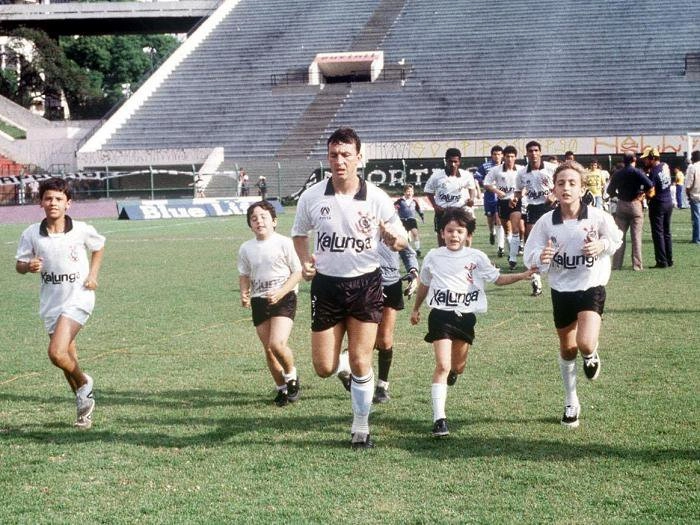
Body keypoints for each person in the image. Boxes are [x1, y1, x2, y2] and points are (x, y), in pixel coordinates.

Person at [291, 127, 407, 449]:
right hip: (326, 287)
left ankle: (361, 427)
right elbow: (299, 234)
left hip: (365, 285)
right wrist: (305, 261)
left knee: (361, 361)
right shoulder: (312, 196)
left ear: (359, 157)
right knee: (324, 367)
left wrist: (395, 239)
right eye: (333, 155)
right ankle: (341, 366)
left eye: (346, 155)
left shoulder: (376, 197)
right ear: (328, 158)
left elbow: (401, 237)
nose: (339, 161)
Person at [410, 207, 535, 437]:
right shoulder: (433, 256)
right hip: (440, 315)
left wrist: (522, 275)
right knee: (442, 365)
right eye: (449, 231)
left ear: (468, 235)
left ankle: (454, 373)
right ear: (442, 233)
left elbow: (497, 279)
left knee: (457, 367)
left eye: (459, 231)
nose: (454, 235)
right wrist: (416, 309)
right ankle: (439, 419)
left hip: (465, 317)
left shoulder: (476, 257)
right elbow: (424, 284)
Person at [524, 161, 622, 428]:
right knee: (567, 348)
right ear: (553, 189)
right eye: (560, 183)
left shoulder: (597, 216)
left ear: (581, 189)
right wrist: (540, 257)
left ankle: (591, 356)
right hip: (561, 290)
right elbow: (529, 255)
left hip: (591, 285)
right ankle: (571, 401)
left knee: (586, 343)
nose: (566, 187)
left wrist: (601, 245)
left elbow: (616, 238)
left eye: (572, 183)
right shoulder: (546, 222)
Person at [15, 177, 105, 429]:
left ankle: (84, 382)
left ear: (69, 204)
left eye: (58, 199)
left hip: (79, 298)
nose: (53, 203)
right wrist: (28, 266)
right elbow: (19, 265)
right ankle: (83, 408)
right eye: (48, 198)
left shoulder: (81, 229)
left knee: (56, 353)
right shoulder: (32, 233)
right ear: (40, 202)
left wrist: (93, 275)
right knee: (67, 356)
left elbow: (99, 246)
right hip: (51, 302)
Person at [238, 200, 302, 407]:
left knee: (277, 344)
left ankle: (292, 376)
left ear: (274, 221)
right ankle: (282, 389)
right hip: (260, 300)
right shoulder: (246, 248)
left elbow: (298, 272)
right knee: (268, 349)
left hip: (284, 297)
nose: (259, 221)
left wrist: (281, 291)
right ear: (250, 224)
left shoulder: (284, 243)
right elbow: (244, 274)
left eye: (264, 217)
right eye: (254, 218)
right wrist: (244, 293)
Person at [373, 242, 419, 404]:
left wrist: (413, 272)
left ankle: (382, 386)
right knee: (365, 337)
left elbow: (407, 252)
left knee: (384, 339)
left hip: (390, 283)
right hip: (362, 284)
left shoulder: (394, 226)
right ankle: (351, 371)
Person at [515, 140, 556, 295]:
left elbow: (560, 185)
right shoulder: (522, 173)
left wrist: (553, 195)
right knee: (531, 242)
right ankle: (536, 282)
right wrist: (515, 198)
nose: (533, 154)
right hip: (533, 207)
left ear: (540, 152)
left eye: (536, 150)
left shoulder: (551, 169)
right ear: (526, 154)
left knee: (556, 240)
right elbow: (519, 191)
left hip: (551, 207)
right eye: (530, 151)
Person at [605, 152, 654, 270]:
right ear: (634, 160)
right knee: (636, 237)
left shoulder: (618, 173)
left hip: (621, 204)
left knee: (619, 237)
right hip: (635, 204)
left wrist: (618, 195)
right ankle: (637, 265)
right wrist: (641, 194)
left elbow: (610, 190)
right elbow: (649, 184)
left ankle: (616, 265)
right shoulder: (638, 172)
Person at [424, 148, 476, 247]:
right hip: (444, 211)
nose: (453, 164)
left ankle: (466, 256)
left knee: (467, 236)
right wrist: (435, 206)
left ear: (459, 162)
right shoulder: (437, 176)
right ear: (446, 161)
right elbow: (428, 191)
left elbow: (472, 188)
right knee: (442, 241)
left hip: (460, 210)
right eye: (450, 161)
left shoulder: (466, 175)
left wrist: (471, 199)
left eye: (455, 161)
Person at [484, 145, 522, 269]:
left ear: (515, 157)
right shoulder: (496, 170)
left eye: (512, 156)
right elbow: (486, 184)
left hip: (516, 202)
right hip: (502, 202)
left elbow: (526, 185)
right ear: (504, 157)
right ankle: (511, 252)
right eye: (507, 156)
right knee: (507, 230)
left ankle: (513, 258)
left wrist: (517, 196)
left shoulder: (521, 170)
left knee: (516, 229)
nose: (510, 159)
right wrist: (497, 192)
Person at [640, 147, 673, 268]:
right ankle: (669, 259)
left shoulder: (654, 171)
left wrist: (644, 197)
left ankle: (661, 261)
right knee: (667, 233)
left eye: (646, 159)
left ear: (652, 158)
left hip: (658, 204)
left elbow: (651, 192)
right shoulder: (665, 166)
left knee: (658, 233)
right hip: (668, 201)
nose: (644, 161)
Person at [476, 145, 504, 252]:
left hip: (501, 196)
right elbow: (477, 176)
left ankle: (500, 247)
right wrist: (485, 184)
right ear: (491, 155)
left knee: (498, 219)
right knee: (490, 218)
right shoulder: (486, 166)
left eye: (499, 154)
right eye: (495, 154)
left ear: (502, 155)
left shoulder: (505, 166)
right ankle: (492, 232)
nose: (497, 156)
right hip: (489, 196)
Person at [394, 184, 425, 256]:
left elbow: (418, 210)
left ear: (413, 192)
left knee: (415, 233)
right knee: (404, 236)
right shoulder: (400, 201)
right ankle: (405, 250)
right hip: (403, 220)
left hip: (412, 220)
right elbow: (394, 208)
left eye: (411, 191)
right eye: (408, 191)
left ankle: (418, 250)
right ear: (404, 192)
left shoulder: (414, 201)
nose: (409, 193)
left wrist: (422, 216)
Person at [685, 150, 700, 244]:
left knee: (696, 218)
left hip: (695, 195)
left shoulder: (692, 167)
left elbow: (689, 184)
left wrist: (687, 193)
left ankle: (696, 238)